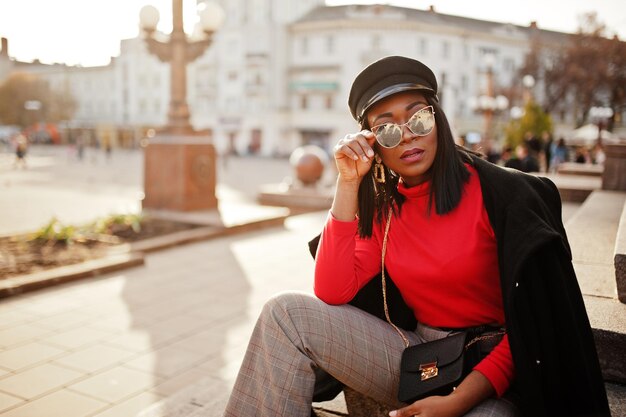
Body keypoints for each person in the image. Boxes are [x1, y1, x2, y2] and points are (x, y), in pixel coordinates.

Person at [223, 56, 610, 417]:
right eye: (387, 129)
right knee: (284, 314)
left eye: (418, 120)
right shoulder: (384, 207)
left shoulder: (504, 197)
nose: (407, 136)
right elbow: (331, 290)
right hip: (417, 354)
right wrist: (347, 184)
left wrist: (458, 400)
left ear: (437, 120)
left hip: (495, 364)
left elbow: (533, 323)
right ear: (372, 143)